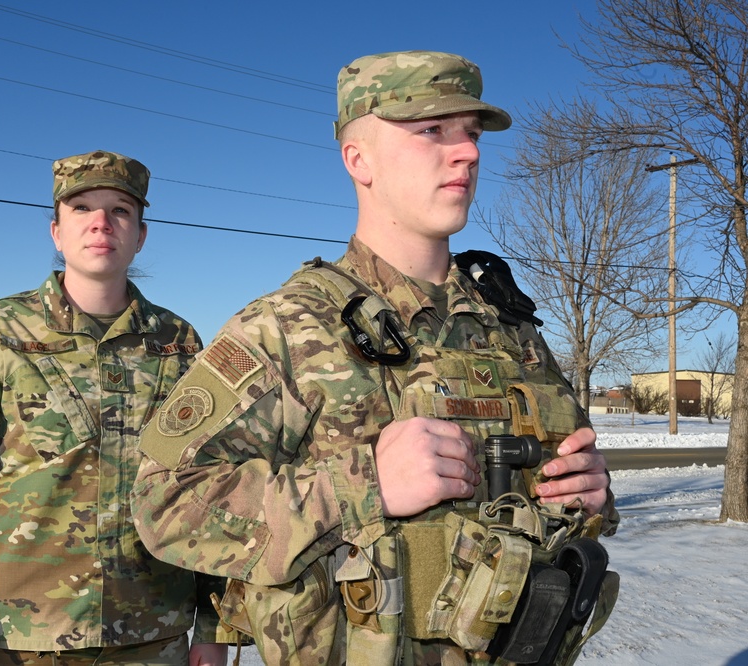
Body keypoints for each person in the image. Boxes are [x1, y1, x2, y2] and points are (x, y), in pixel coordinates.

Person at [131, 51, 620, 665]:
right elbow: (163, 504)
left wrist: (593, 497)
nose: (467, 153)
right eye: (430, 132)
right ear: (358, 159)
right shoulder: (289, 326)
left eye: (470, 134)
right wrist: (362, 485)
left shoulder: (511, 329)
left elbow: (566, 490)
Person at [0, 150, 232, 666]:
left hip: (155, 636)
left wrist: (216, 627)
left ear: (140, 236)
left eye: (121, 210)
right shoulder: (0, 332)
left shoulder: (179, 343)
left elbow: (213, 490)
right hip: (25, 639)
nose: (101, 222)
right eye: (82, 208)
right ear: (57, 232)